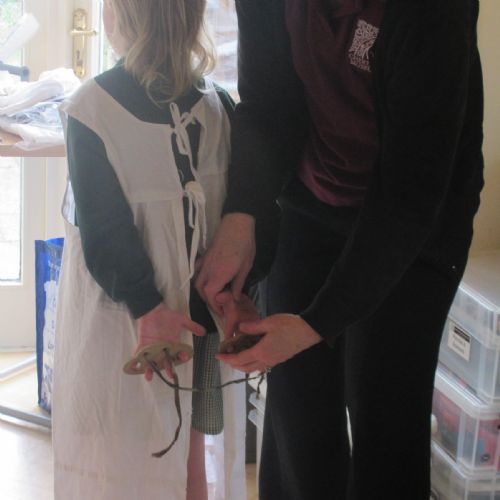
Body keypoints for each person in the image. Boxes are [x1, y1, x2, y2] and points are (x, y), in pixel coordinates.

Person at [196, 0, 485, 498]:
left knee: (386, 412)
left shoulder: (434, 11)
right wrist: (241, 218)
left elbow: (410, 197)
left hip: (416, 223)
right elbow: (267, 105)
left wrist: (314, 325)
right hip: (312, 202)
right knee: (296, 408)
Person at [52, 1, 247, 499]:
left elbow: (103, 228)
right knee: (184, 449)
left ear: (119, 18)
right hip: (186, 318)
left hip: (137, 317)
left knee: (130, 449)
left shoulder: (92, 108)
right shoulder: (220, 106)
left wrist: (146, 302)